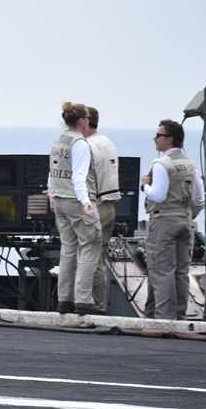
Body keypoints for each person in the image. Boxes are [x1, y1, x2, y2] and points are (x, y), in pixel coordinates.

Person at [141, 118, 205, 320]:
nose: (155, 139)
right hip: (185, 221)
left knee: (162, 271)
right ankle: (179, 316)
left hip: (164, 222)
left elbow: (158, 195)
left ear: (170, 140)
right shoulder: (190, 165)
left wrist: (145, 187)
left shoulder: (161, 164)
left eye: (159, 135)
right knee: (181, 271)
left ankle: (163, 318)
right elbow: (198, 199)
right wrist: (187, 215)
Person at [46, 102, 100, 315]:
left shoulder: (58, 141)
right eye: (86, 119)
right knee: (91, 244)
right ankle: (83, 299)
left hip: (59, 198)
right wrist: (86, 202)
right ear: (81, 121)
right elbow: (79, 176)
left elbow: (51, 170)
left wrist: (51, 194)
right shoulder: (80, 143)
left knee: (68, 249)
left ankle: (64, 299)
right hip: (75, 200)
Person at [85, 107, 121, 313]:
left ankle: (92, 305)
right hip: (109, 204)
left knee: (89, 257)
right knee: (99, 258)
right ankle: (100, 304)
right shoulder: (107, 142)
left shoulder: (87, 146)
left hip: (95, 205)